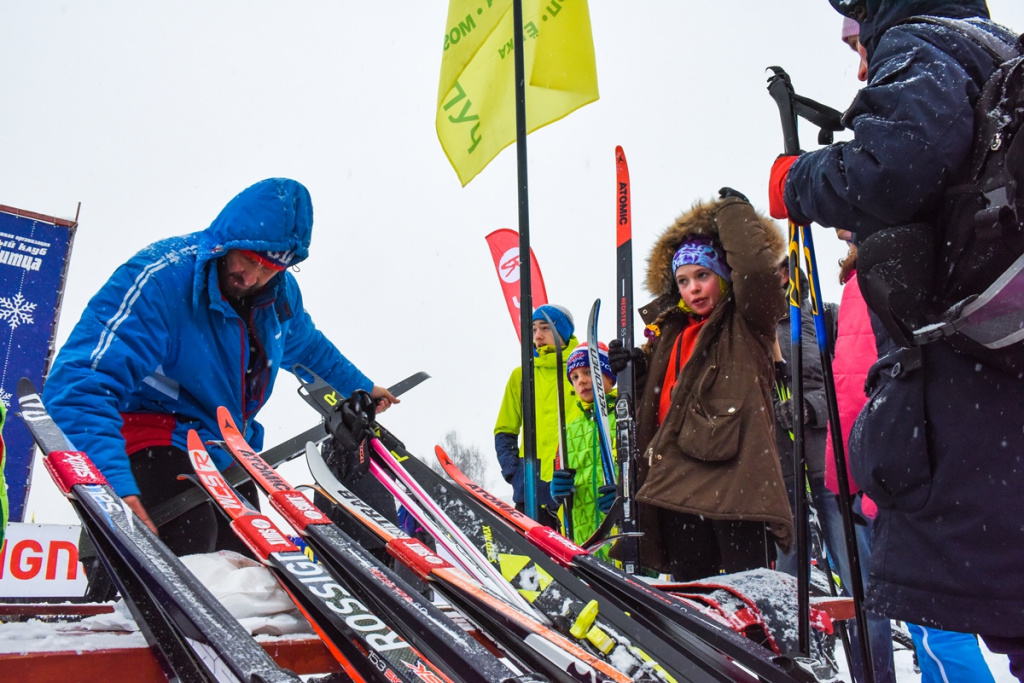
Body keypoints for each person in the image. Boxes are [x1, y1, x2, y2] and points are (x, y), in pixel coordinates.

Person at [769, 1, 1024, 676]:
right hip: (999, 391)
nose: (859, 64)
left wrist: (797, 180)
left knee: (966, 619)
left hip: (974, 410)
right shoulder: (998, 50)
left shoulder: (922, 43)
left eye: (859, 36)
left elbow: (893, 165)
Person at [42, 178, 398, 557]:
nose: (252, 277)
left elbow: (309, 347)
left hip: (223, 449)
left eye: (269, 268)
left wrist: (360, 385)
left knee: (246, 559)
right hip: (150, 435)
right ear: (226, 241)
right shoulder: (160, 280)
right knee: (189, 535)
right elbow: (79, 383)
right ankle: (114, 594)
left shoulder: (277, 299)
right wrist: (111, 489)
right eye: (247, 259)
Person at [616, 190, 793, 581]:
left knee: (750, 602)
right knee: (694, 608)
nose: (693, 288)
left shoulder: (748, 322)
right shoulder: (669, 334)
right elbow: (658, 405)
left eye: (703, 276)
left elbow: (758, 274)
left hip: (737, 489)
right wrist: (633, 371)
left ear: (725, 277)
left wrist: (731, 214)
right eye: (682, 281)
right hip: (677, 489)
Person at [494, 304, 582, 528]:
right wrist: (514, 473)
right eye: (534, 329)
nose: (538, 335)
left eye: (545, 328)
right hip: (532, 484)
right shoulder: (521, 375)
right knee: (533, 560)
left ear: (562, 332)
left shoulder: (580, 371)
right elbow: (505, 430)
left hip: (574, 479)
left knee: (575, 558)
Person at [549, 342, 618, 552]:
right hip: (581, 535)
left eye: (588, 372)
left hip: (619, 534)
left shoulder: (626, 417)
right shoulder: (569, 429)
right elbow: (560, 471)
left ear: (608, 375)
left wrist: (626, 494)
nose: (582, 381)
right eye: (575, 377)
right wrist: (557, 491)